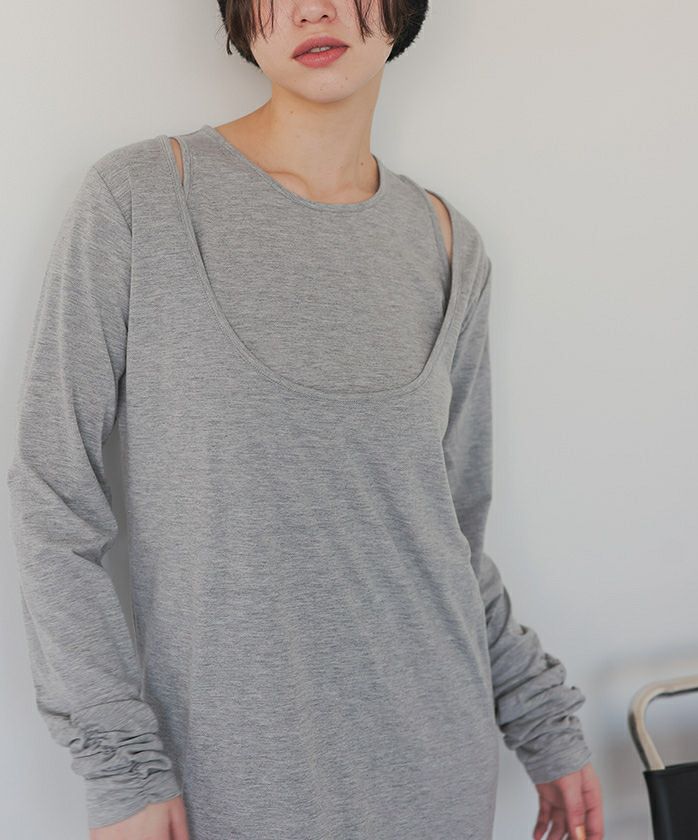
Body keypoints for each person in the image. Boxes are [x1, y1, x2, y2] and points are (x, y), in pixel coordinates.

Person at [6, 1, 604, 839]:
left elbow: (450, 534)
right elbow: (52, 498)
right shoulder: (141, 197)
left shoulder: (447, 245)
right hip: (224, 780)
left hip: (437, 770)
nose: (315, 7)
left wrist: (542, 718)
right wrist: (123, 771)